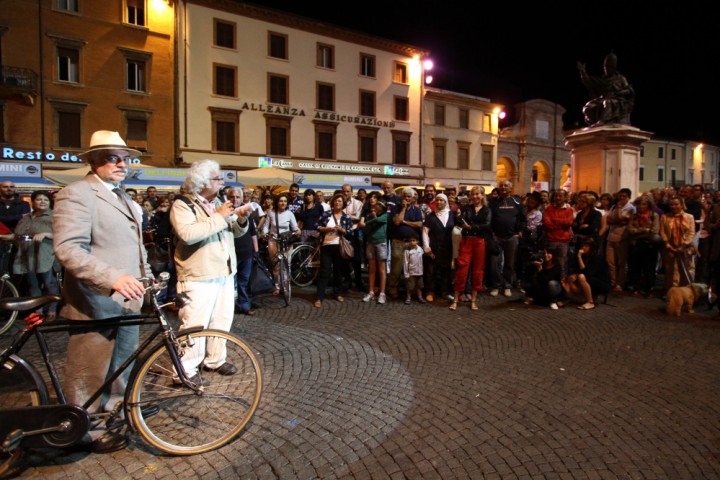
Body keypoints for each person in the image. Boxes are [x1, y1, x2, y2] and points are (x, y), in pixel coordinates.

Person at [53, 130, 153, 453]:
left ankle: (114, 414)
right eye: (113, 157)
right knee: (89, 370)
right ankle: (84, 431)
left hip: (128, 301)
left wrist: (148, 280)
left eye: (125, 158)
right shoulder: (77, 193)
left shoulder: (122, 195)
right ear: (93, 160)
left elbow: (136, 247)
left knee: (122, 363)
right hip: (95, 302)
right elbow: (68, 250)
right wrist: (111, 278)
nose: (122, 164)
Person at [171, 159, 252, 385]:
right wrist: (220, 216)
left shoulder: (218, 203)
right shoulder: (183, 204)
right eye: (218, 178)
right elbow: (188, 234)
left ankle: (215, 359)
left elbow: (232, 232)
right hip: (199, 274)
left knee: (221, 319)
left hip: (224, 272)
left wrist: (241, 220)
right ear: (203, 181)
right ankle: (184, 371)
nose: (221, 182)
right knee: (195, 323)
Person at [13, 190, 60, 320]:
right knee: (33, 284)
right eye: (39, 199)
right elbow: (17, 233)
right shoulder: (27, 217)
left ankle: (52, 309)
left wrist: (46, 234)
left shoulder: (55, 216)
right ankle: (37, 311)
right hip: (27, 255)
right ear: (33, 202)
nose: (42, 202)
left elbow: (63, 234)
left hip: (46, 254)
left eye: (45, 200)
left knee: (49, 282)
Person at [450, 186, 492, 311]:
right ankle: (456, 299)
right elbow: (459, 222)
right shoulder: (467, 208)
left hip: (480, 242)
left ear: (482, 195)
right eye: (473, 194)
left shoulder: (487, 210)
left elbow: (487, 225)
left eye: (477, 194)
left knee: (478, 271)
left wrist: (471, 227)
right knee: (462, 269)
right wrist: (460, 219)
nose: (475, 197)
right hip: (467, 241)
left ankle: (473, 300)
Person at [488, 179, 526, 297]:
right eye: (501, 185)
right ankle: (496, 285)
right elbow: (489, 219)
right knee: (495, 263)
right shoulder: (493, 202)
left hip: (511, 237)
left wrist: (520, 231)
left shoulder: (517, 202)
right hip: (497, 237)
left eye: (506, 185)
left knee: (509, 263)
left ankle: (507, 286)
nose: (503, 187)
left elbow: (523, 218)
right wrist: (492, 233)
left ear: (510, 188)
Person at [314, 193, 352, 307]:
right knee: (324, 272)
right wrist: (326, 228)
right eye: (335, 201)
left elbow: (350, 232)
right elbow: (316, 226)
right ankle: (319, 297)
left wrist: (342, 230)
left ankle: (338, 293)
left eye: (340, 201)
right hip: (326, 245)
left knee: (338, 272)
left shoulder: (346, 217)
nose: (337, 203)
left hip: (339, 246)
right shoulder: (326, 214)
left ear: (343, 203)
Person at [577, 52, 635, 126]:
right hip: (603, 98)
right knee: (588, 106)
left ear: (613, 67)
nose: (606, 69)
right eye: (605, 67)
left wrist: (620, 92)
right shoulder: (603, 79)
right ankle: (593, 124)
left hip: (617, 99)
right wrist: (583, 72)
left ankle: (603, 121)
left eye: (608, 67)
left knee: (607, 102)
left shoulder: (621, 78)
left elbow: (629, 90)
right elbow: (588, 81)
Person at [388, 187, 424, 299]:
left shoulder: (417, 210)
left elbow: (419, 224)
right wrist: (403, 209)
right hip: (398, 242)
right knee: (396, 269)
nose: (407, 198)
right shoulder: (396, 208)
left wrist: (405, 222)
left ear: (413, 198)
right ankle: (393, 289)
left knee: (411, 268)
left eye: (409, 196)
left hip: (412, 244)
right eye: (405, 196)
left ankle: (409, 290)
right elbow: (397, 222)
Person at [227, 187, 258, 315]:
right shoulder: (224, 213)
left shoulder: (246, 212)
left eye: (237, 197)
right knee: (231, 284)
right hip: (231, 254)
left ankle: (244, 305)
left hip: (246, 253)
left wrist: (255, 250)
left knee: (243, 282)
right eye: (232, 197)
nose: (235, 199)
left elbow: (253, 232)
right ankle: (230, 308)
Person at [262, 193, 301, 294]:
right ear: (277, 202)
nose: (283, 203)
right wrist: (264, 232)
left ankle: (286, 285)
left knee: (287, 263)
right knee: (276, 265)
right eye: (281, 201)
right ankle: (277, 287)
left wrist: (297, 230)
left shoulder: (290, 214)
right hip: (273, 240)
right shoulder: (271, 213)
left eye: (285, 201)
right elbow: (266, 226)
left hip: (286, 241)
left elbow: (295, 226)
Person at [627, 195, 662, 297]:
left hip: (649, 244)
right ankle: (636, 287)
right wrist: (643, 230)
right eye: (639, 204)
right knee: (636, 267)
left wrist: (638, 232)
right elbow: (630, 230)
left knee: (649, 267)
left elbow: (654, 230)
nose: (641, 206)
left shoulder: (653, 215)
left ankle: (649, 288)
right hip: (636, 244)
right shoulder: (634, 216)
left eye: (644, 204)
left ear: (648, 205)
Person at [422, 193, 454, 303]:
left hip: (447, 248)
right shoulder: (431, 216)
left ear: (446, 202)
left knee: (446, 271)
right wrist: (426, 247)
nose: (439, 202)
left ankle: (445, 292)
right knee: (431, 271)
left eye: (442, 200)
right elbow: (425, 232)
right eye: (437, 200)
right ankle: (430, 292)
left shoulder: (451, 214)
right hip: (434, 248)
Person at [659, 196, 696, 290]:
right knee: (670, 270)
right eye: (671, 204)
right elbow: (662, 231)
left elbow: (691, 232)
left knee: (685, 268)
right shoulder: (665, 217)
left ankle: (685, 290)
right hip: (669, 247)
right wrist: (667, 243)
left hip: (685, 247)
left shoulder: (689, 217)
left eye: (676, 204)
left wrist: (684, 245)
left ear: (681, 205)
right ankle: (672, 291)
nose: (674, 206)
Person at [605, 188, 635, 291]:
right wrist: (616, 220)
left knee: (621, 262)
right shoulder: (614, 206)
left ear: (628, 197)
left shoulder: (630, 208)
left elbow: (620, 218)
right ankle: (613, 281)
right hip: (611, 236)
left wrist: (618, 210)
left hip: (622, 237)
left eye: (624, 196)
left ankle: (620, 283)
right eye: (620, 196)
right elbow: (608, 219)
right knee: (610, 261)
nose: (621, 198)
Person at [360, 197, 388, 304]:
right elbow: (365, 229)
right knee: (372, 269)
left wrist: (368, 221)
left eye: (378, 208)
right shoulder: (369, 215)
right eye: (375, 208)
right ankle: (371, 291)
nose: (375, 209)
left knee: (382, 269)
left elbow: (375, 221)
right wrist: (368, 222)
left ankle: (382, 293)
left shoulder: (385, 216)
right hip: (370, 243)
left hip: (381, 243)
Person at [542, 189, 574, 279]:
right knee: (548, 263)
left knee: (561, 264)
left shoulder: (569, 210)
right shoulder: (549, 209)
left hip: (563, 241)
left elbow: (569, 222)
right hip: (550, 239)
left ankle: (561, 285)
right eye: (556, 196)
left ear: (565, 198)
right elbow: (547, 223)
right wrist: (561, 224)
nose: (558, 198)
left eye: (560, 196)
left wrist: (555, 220)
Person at [342, 184, 366, 291]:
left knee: (356, 260)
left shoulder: (358, 203)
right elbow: (339, 217)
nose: (346, 193)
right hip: (343, 234)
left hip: (354, 233)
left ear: (352, 192)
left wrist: (346, 217)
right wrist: (351, 217)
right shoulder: (340, 202)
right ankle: (347, 281)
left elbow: (358, 217)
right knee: (345, 258)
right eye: (344, 191)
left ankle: (359, 282)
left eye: (348, 191)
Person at [403, 234, 426, 305]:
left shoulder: (420, 249)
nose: (412, 242)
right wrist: (406, 273)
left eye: (413, 240)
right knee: (410, 286)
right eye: (410, 241)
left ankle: (420, 296)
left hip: (419, 271)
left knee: (419, 285)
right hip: (411, 271)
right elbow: (405, 262)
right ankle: (408, 297)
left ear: (417, 241)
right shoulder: (407, 251)